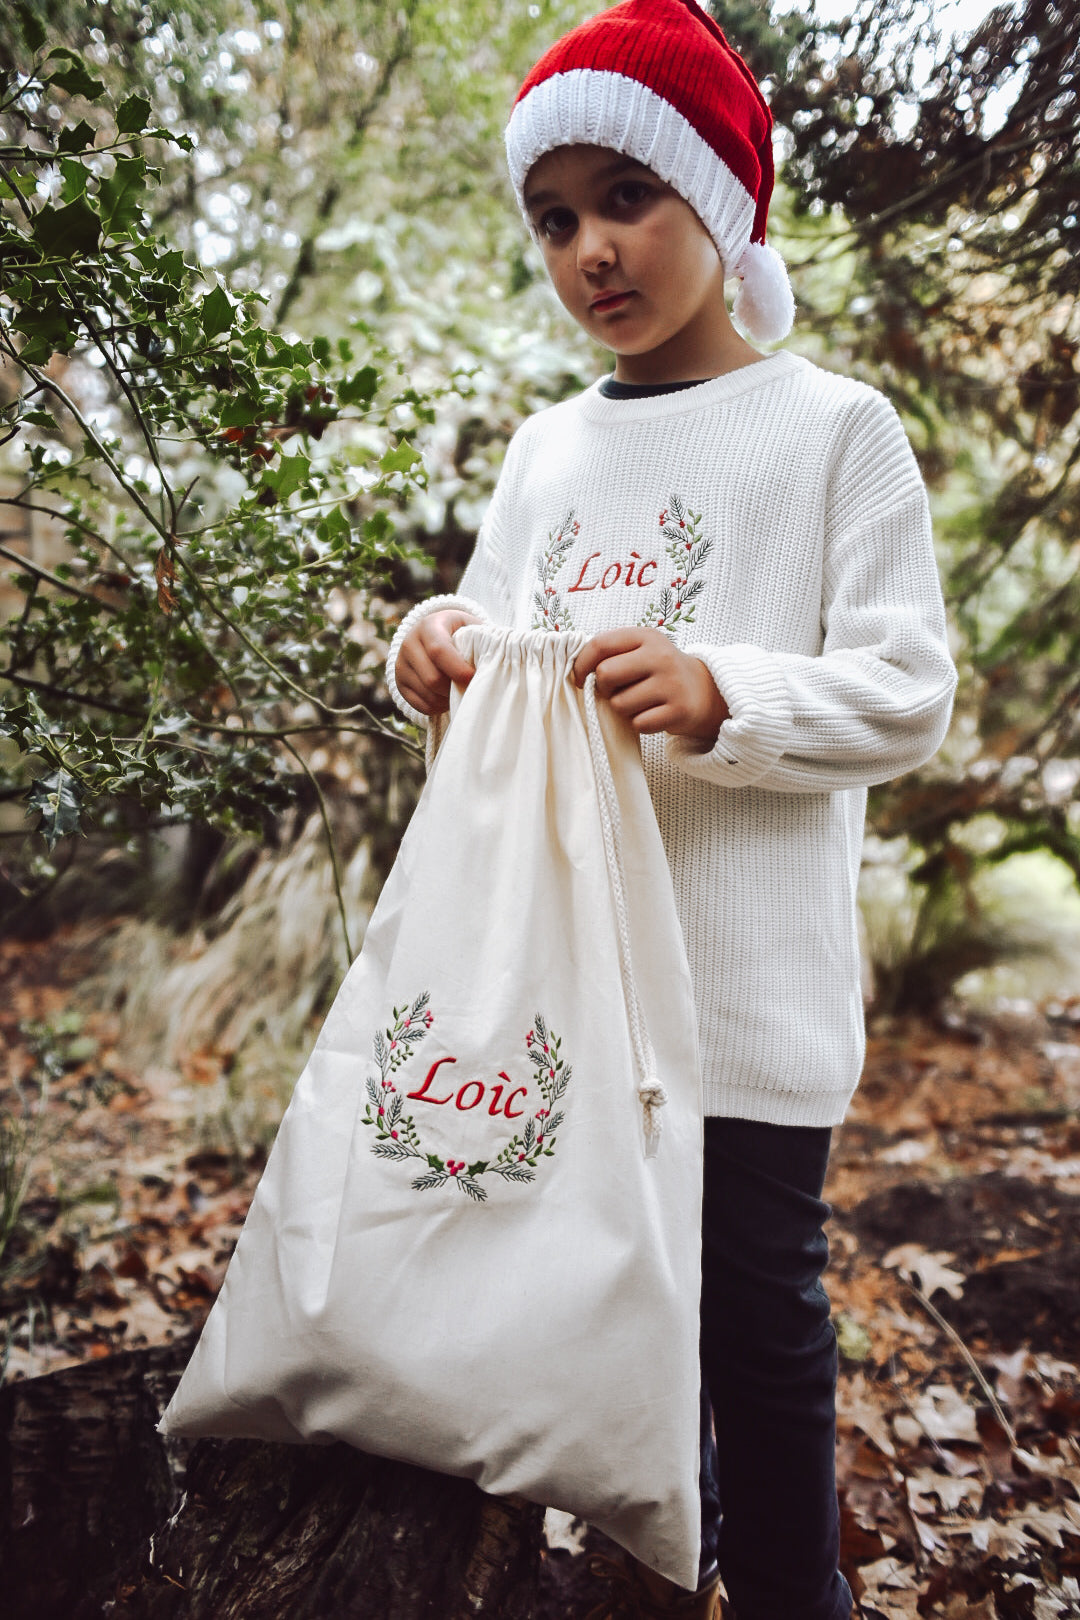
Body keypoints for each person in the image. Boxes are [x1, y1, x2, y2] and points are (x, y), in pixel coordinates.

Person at [385, 2, 957, 1616]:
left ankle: (789, 1590)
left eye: (625, 198)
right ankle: (642, 1556)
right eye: (554, 217)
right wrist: (430, 653)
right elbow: (494, 641)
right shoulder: (548, 452)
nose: (591, 251)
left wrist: (729, 696)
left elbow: (910, 690)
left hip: (745, 1000)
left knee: (754, 1327)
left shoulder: (834, 431)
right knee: (591, 1303)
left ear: (720, 196)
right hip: (578, 995)